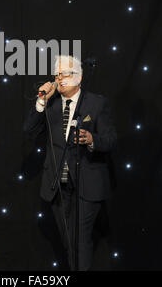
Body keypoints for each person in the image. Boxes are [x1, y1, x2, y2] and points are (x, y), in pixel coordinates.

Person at [24, 55, 117, 271]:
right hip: (57, 183)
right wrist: (41, 101)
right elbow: (28, 130)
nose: (60, 79)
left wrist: (92, 139)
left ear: (79, 77)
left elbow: (111, 139)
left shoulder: (96, 103)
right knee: (68, 242)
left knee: (80, 241)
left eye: (65, 73)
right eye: (57, 74)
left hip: (87, 183)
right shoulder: (52, 103)